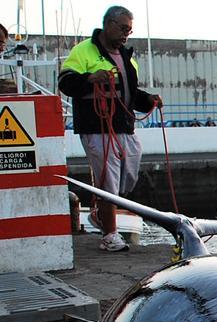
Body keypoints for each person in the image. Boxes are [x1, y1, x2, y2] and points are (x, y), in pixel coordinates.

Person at [58, 5, 162, 252]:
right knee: (108, 181)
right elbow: (65, 82)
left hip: (124, 127)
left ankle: (98, 211)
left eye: (130, 30)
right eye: (123, 28)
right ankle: (109, 235)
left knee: (128, 176)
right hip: (97, 126)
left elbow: (130, 93)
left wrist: (148, 100)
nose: (127, 34)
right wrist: (89, 80)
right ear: (108, 24)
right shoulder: (83, 51)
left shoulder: (127, 58)